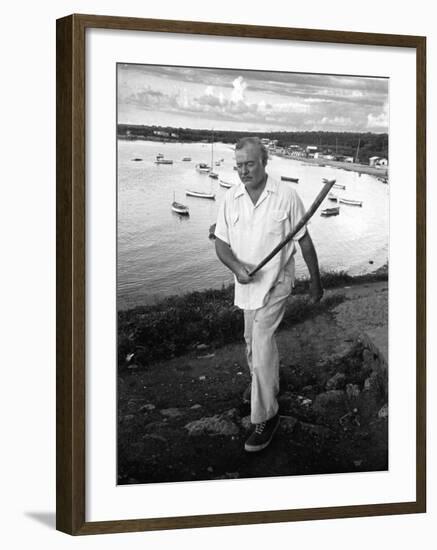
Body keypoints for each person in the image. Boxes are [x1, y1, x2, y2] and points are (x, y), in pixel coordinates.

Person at [214, 137, 323, 452]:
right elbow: (220, 244)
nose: (243, 171)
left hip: (277, 281)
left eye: (249, 164)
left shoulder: (287, 196)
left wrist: (316, 281)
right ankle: (266, 386)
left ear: (264, 162)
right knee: (251, 343)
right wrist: (236, 267)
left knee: (261, 341)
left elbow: (304, 242)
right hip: (246, 284)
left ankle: (266, 416)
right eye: (239, 166)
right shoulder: (230, 199)